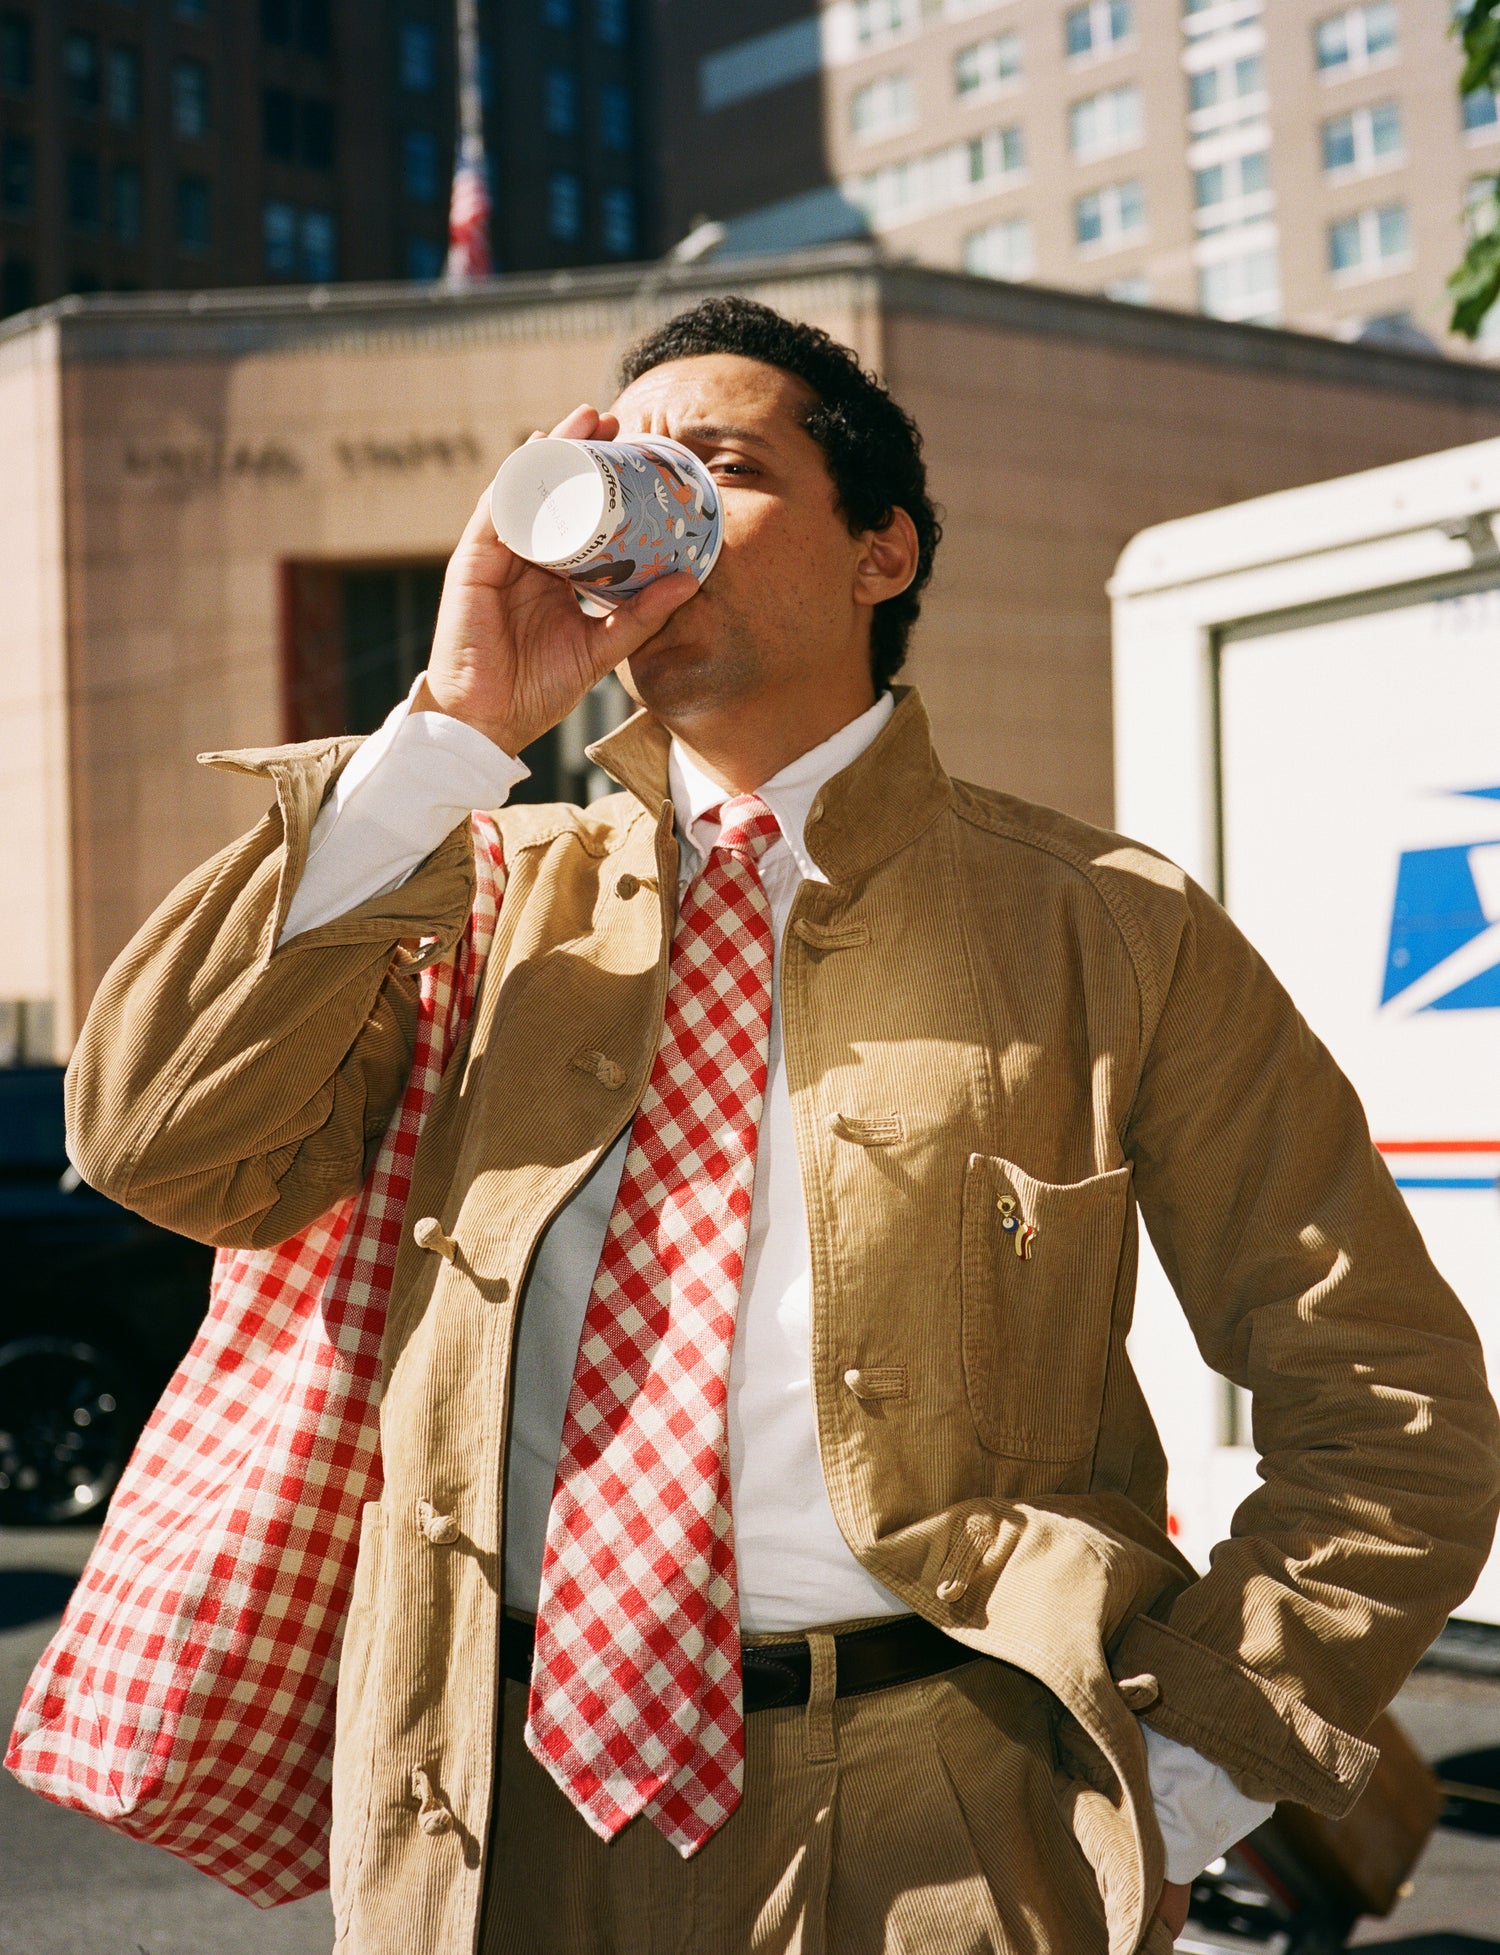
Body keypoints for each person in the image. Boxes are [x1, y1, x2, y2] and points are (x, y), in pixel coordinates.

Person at [67, 298, 1500, 1955]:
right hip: (482, 1816)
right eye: (624, 477)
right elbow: (156, 1143)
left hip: (949, 1824)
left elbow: (1388, 1407)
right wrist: (455, 725)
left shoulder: (1107, 928)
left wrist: (1180, 1779)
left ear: (881, 551)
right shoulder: (465, 897)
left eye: (717, 472)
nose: (648, 520)